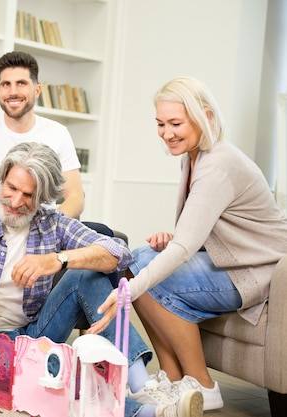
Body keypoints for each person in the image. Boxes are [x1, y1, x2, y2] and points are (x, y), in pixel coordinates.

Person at [0, 142, 204, 417]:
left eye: (29, 195)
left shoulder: (51, 223)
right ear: (2, 180)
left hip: (37, 333)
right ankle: (149, 413)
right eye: (11, 188)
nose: (15, 201)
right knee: (60, 375)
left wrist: (58, 259)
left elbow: (119, 252)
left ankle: (144, 386)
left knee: (86, 273)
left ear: (43, 199)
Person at [92, 76, 287, 411]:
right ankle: (173, 377)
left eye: (176, 123)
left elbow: (184, 249)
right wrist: (171, 239)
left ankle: (203, 385)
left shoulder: (219, 164)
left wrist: (130, 289)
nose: (167, 133)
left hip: (257, 271)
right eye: (160, 124)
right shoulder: (192, 157)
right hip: (230, 261)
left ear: (206, 117)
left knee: (143, 274)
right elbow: (199, 232)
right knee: (139, 258)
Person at [0, 51, 114, 238]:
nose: (13, 91)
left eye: (21, 83)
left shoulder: (58, 133)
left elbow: (75, 197)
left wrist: (48, 228)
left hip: (40, 229)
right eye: (6, 84)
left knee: (103, 234)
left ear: (37, 90)